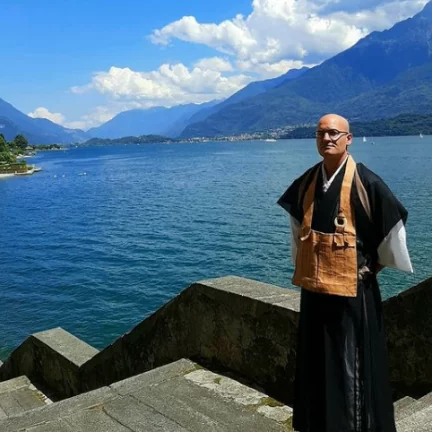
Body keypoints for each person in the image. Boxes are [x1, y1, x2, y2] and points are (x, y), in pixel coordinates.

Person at [277, 114, 413, 432]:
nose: (327, 138)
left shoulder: (367, 182)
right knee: (315, 363)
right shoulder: (307, 182)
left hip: (353, 292)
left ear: (348, 139)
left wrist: (371, 268)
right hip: (314, 290)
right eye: (321, 133)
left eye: (334, 133)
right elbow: (298, 230)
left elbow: (393, 230)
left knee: (350, 367)